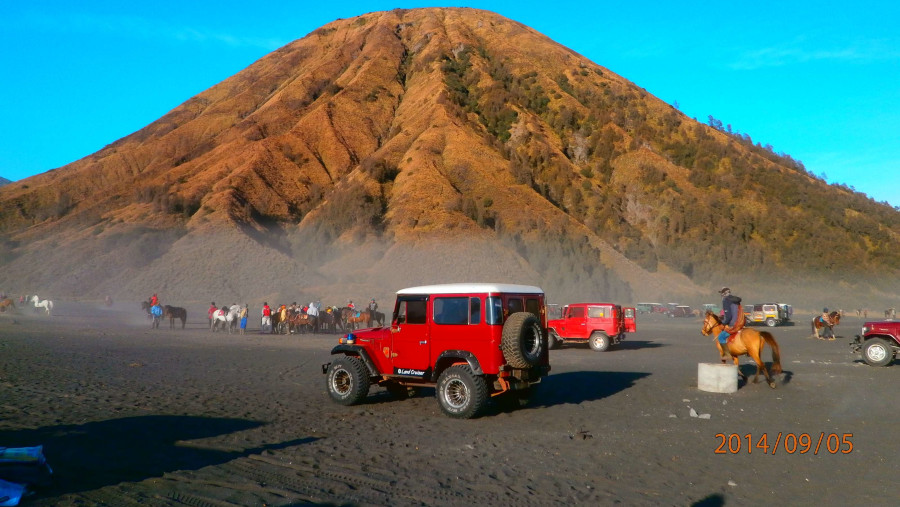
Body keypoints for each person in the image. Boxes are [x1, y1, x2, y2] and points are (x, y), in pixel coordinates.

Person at [717, 287, 743, 355]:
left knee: (721, 337)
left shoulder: (726, 300)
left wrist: (723, 323)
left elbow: (729, 316)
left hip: (733, 324)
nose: (721, 295)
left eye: (721, 293)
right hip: (740, 323)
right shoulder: (735, 300)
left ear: (724, 294)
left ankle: (727, 354)